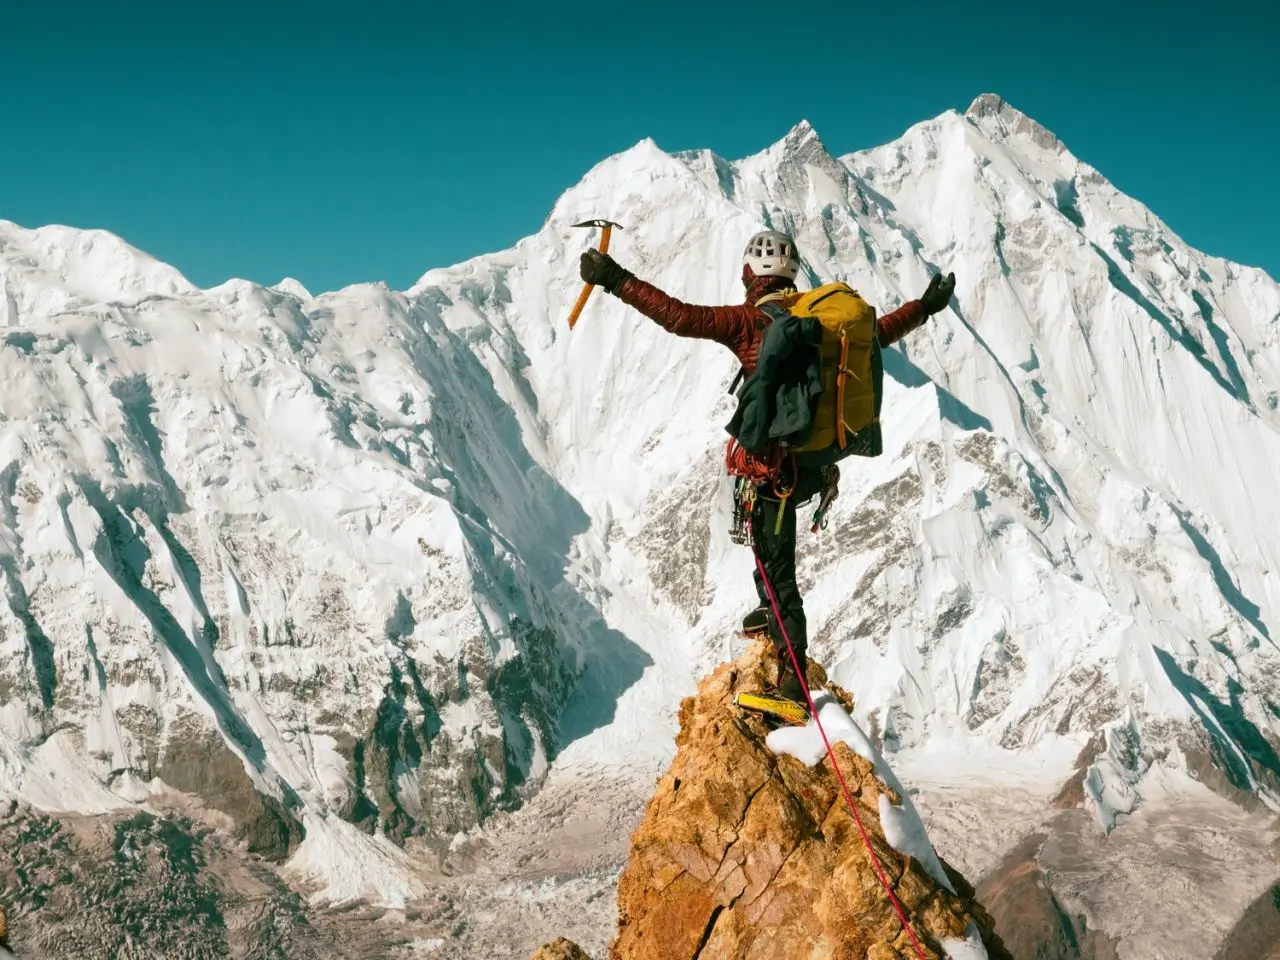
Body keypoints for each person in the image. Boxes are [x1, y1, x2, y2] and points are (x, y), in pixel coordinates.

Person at [580, 229, 955, 703]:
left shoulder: (748, 321)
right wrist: (926, 306)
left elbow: (676, 316)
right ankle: (768, 611)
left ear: (750, 274)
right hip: (814, 466)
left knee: (778, 565)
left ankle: (794, 679)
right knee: (767, 547)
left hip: (773, 471)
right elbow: (879, 333)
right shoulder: (820, 320)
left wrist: (611, 277)